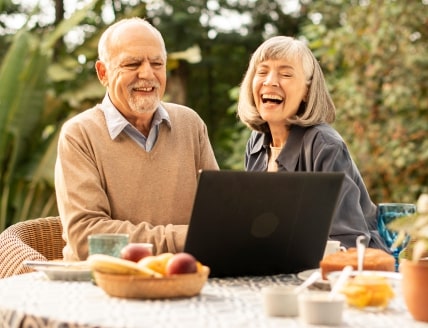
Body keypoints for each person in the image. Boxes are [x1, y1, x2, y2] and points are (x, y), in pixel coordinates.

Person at [55, 18, 219, 261]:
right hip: (101, 288)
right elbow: (87, 238)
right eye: (132, 63)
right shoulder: (79, 135)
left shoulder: (190, 124)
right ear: (103, 73)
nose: (147, 73)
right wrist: (185, 239)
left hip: (184, 277)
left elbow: (219, 214)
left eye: (157, 63)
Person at [237, 35, 389, 252]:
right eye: (262, 72)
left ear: (307, 92)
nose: (270, 81)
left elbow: (349, 241)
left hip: (349, 272)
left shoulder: (325, 146)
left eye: (286, 74)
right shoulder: (256, 143)